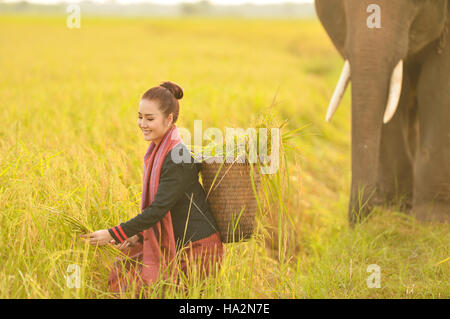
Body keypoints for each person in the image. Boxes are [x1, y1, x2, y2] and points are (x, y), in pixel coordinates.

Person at [81, 81, 223, 296]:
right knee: (126, 274)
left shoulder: (178, 158)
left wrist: (113, 234)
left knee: (143, 287)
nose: (142, 124)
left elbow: (158, 210)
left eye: (149, 119)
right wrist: (136, 236)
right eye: (140, 117)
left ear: (169, 119)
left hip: (198, 251)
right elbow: (168, 210)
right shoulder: (159, 152)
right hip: (180, 244)